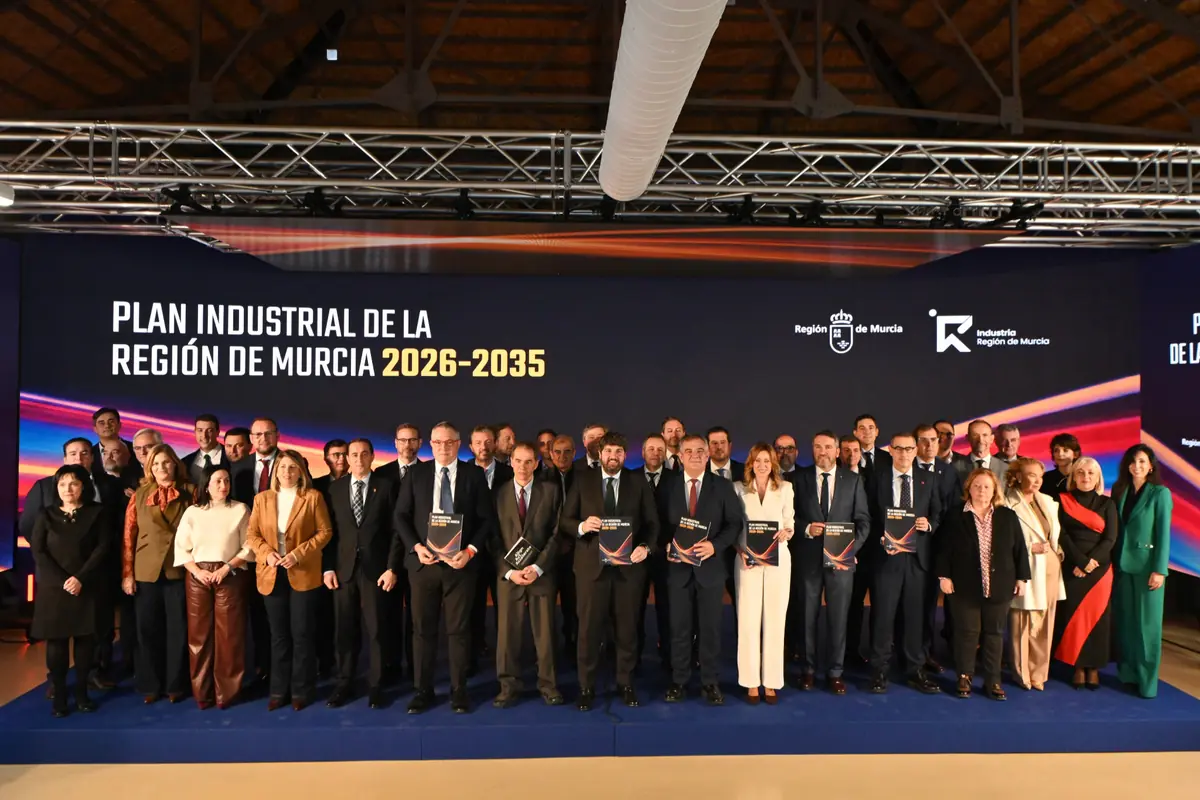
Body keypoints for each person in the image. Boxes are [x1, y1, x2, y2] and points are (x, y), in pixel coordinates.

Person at [393, 421, 496, 715]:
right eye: (437, 443)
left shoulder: (473, 475)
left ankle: (459, 690)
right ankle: (423, 690)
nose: (443, 448)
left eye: (449, 442)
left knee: (459, 631)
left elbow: (486, 519)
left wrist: (470, 551)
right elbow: (400, 516)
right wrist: (417, 547)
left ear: (459, 443)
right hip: (424, 566)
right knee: (422, 631)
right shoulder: (416, 474)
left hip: (460, 566)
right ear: (430, 445)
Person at [560, 431, 659, 711]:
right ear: (599, 454)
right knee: (588, 631)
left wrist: (645, 548)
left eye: (618, 452)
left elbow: (652, 525)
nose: (613, 456)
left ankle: (625, 683)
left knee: (627, 630)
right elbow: (565, 521)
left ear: (625, 455)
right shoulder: (582, 480)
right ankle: (586, 687)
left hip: (629, 571)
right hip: (592, 570)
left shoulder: (638, 482)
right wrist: (582, 526)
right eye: (608, 452)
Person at [245, 449, 333, 711]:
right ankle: (278, 691)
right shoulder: (262, 499)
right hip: (271, 573)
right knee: (279, 636)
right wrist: (267, 554)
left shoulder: (313, 497)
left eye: (292, 468)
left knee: (302, 634)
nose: (287, 472)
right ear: (275, 471)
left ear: (301, 471)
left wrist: (298, 554)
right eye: (282, 467)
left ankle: (301, 691)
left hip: (303, 572)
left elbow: (325, 532)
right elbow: (252, 535)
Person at [660, 434, 742, 706]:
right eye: (689, 451)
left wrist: (715, 547)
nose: (695, 455)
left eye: (700, 451)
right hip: (678, 570)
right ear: (680, 456)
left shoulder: (722, 486)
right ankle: (679, 680)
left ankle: (710, 682)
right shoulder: (667, 486)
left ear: (707, 456)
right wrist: (666, 546)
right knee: (680, 629)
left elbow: (733, 525)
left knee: (710, 629)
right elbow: (657, 524)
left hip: (710, 570)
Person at [938, 469, 1031, 701]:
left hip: (1000, 586)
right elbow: (943, 549)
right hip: (964, 587)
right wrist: (943, 576)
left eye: (987, 486)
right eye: (977, 486)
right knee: (967, 633)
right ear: (969, 488)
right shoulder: (954, 515)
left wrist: (1022, 577)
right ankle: (964, 676)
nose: (982, 490)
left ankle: (993, 680)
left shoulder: (1007, 516)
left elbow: (1020, 549)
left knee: (994, 634)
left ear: (995, 491)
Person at [793, 431, 870, 696]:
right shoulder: (796, 479)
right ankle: (808, 669)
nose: (822, 452)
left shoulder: (854, 480)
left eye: (828, 447)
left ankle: (835, 672)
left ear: (838, 451)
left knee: (838, 618)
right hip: (808, 560)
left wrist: (850, 549)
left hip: (841, 561)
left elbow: (863, 522)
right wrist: (805, 529)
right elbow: (788, 519)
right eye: (817, 447)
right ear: (812, 450)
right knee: (807, 616)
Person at [324, 439, 399, 710]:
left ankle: (376, 685)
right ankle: (344, 682)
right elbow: (328, 535)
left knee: (377, 629)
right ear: (346, 458)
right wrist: (328, 567)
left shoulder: (387, 487)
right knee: (344, 630)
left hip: (376, 571)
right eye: (353, 455)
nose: (357, 459)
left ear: (372, 456)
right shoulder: (334, 489)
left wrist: (392, 568)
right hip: (343, 571)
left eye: (363, 454)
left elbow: (395, 532)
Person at [31, 465, 110, 717]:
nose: (68, 489)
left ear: (83, 486)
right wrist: (64, 580)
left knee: (86, 641)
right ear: (56, 487)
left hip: (86, 586)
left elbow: (102, 547)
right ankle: (60, 695)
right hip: (55, 589)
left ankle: (82, 694)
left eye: (74, 483)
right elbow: (39, 551)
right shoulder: (46, 514)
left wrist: (80, 578)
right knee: (57, 643)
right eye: (62, 484)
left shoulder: (97, 513)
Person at [867, 432, 941, 695]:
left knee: (914, 617)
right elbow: (868, 516)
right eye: (899, 449)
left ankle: (914, 669)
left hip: (916, 560)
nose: (904, 454)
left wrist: (929, 524)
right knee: (883, 617)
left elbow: (938, 513)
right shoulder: (877, 478)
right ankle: (879, 669)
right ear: (890, 450)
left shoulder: (928, 479)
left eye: (909, 449)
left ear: (916, 450)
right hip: (886, 558)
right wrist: (881, 536)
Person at [491, 442, 564, 707]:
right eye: (518, 461)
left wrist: (537, 567)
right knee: (507, 634)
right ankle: (508, 687)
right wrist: (509, 572)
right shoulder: (498, 494)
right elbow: (493, 538)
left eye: (528, 461)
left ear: (536, 463)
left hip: (541, 574)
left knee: (545, 633)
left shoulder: (552, 491)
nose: (523, 466)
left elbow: (557, 534)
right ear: (511, 462)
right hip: (509, 576)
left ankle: (548, 685)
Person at [174, 465, 253, 710]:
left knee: (229, 635)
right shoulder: (193, 512)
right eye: (218, 481)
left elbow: (249, 546)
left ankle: (226, 693)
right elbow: (181, 548)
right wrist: (198, 572)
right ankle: (203, 693)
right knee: (199, 637)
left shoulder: (240, 509)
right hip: (198, 576)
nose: (223, 486)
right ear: (206, 485)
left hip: (230, 574)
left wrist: (226, 569)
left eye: (226, 481)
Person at [121, 443, 193, 704]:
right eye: (156, 464)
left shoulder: (191, 492)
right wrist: (127, 574)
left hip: (179, 569)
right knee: (147, 630)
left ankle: (175, 685)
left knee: (178, 630)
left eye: (166, 462)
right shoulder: (139, 495)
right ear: (149, 468)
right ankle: (150, 685)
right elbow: (129, 536)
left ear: (175, 463)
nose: (161, 467)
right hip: (146, 571)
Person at [735, 442, 795, 703]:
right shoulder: (738, 490)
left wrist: (787, 532)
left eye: (766, 461)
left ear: (773, 465)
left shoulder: (785, 489)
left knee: (774, 621)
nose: (762, 465)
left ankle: (771, 682)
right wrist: (740, 551)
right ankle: (750, 681)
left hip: (778, 560)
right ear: (750, 463)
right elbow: (735, 527)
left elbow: (790, 524)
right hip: (746, 560)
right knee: (748, 621)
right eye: (757, 460)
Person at [1112, 444, 1173, 699]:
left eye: (1142, 461)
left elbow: (1163, 533)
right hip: (1122, 566)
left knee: (1147, 626)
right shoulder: (1119, 490)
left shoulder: (1160, 493)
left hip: (1148, 568)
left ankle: (1147, 682)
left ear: (1151, 466)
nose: (1136, 465)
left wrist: (1160, 570)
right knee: (1126, 622)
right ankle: (1128, 674)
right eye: (1132, 461)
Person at [1054, 456, 1118, 690]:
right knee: (1074, 618)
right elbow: (1061, 535)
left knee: (1098, 620)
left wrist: (1091, 563)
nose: (1086, 477)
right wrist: (1080, 562)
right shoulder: (1062, 500)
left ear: (1098, 478)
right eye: (1081, 473)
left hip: (1100, 571)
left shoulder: (1107, 504)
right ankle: (1078, 667)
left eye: (1091, 473)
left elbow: (1110, 538)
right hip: (1073, 566)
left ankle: (1094, 668)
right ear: (1074, 476)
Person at [1005, 457, 1065, 691]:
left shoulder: (1048, 502)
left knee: (1045, 622)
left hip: (1050, 566)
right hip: (1026, 566)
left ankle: (1039, 672)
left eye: (1040, 476)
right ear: (1018, 476)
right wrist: (1030, 548)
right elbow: (1003, 541)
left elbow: (1053, 535)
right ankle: (1022, 673)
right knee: (1023, 622)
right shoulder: (1007, 503)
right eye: (1031, 475)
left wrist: (1057, 551)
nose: (1037, 481)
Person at [637, 433, 672, 670]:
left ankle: (669, 657)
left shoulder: (676, 478)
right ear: (643, 452)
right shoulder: (630, 478)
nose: (656, 453)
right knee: (634, 609)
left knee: (667, 608)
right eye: (651, 449)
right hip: (636, 554)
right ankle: (634, 658)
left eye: (660, 449)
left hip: (667, 554)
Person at [547, 434, 579, 655]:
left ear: (575, 453)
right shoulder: (541, 478)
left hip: (577, 550)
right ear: (550, 454)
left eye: (567, 451)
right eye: (557, 452)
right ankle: (548, 650)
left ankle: (572, 643)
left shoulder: (584, 477)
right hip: (549, 552)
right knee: (547, 605)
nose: (562, 456)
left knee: (573, 603)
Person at [954, 420, 1008, 486]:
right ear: (968, 438)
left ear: (992, 438)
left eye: (985, 435)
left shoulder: (1005, 469)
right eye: (975, 435)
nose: (980, 440)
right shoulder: (955, 468)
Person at [181, 414, 228, 487]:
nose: (204, 435)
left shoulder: (230, 456)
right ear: (195, 432)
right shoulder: (185, 462)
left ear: (218, 432)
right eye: (200, 430)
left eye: (209, 431)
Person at [91, 407, 134, 481]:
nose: (107, 426)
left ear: (119, 425)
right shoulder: (89, 453)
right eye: (102, 423)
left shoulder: (135, 449)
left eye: (111, 421)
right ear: (95, 429)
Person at [1042, 432, 1080, 501]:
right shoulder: (1045, 478)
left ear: (1075, 455)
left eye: (1065, 450)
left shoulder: (1081, 477)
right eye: (1056, 450)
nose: (1060, 454)